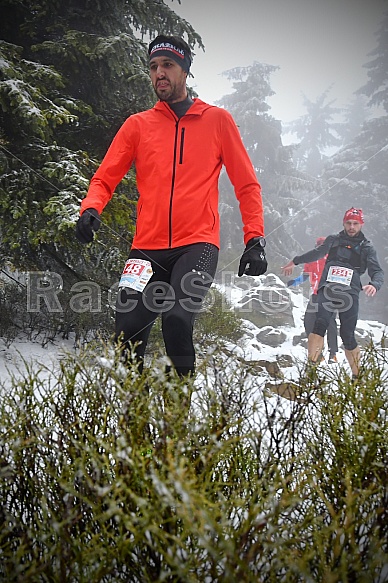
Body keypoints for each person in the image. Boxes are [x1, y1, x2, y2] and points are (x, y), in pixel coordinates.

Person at [75, 34, 267, 377]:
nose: (159, 73)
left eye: (167, 65)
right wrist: (91, 208)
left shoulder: (217, 121)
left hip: (197, 244)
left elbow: (246, 183)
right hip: (145, 249)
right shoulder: (137, 126)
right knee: (126, 332)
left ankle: (176, 420)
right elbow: (104, 178)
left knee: (177, 320)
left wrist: (255, 238)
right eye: (153, 67)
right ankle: (135, 418)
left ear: (185, 71)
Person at [282, 208, 384, 378]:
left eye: (355, 223)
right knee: (319, 325)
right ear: (344, 223)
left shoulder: (367, 247)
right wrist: (296, 261)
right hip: (328, 289)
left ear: (361, 224)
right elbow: (317, 253)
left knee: (347, 335)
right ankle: (311, 369)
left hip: (350, 293)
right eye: (348, 223)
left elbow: (377, 271)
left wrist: (375, 284)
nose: (351, 227)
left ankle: (358, 377)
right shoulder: (333, 240)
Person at [287, 237, 338, 363]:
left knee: (330, 322)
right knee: (309, 321)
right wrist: (294, 282)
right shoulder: (311, 261)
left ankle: (333, 354)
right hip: (316, 295)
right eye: (319, 245)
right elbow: (305, 276)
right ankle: (318, 352)